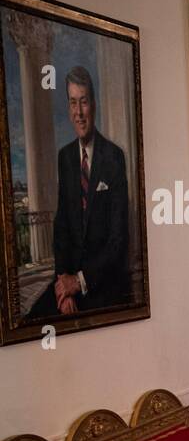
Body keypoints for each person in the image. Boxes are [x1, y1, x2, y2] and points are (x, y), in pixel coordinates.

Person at [25, 66, 130, 319]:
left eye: (83, 102)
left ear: (93, 104)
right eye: (73, 103)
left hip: (102, 284)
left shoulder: (113, 157)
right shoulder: (65, 158)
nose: (79, 112)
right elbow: (62, 228)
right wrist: (64, 285)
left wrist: (80, 281)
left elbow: (118, 241)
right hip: (69, 282)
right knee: (31, 320)